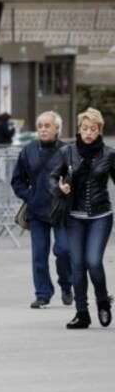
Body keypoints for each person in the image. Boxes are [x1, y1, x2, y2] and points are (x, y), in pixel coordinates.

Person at [50, 108, 115, 330]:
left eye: (93, 129)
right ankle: (81, 313)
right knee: (77, 264)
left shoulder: (109, 154)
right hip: (74, 215)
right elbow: (53, 178)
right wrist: (60, 187)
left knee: (93, 261)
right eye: (84, 128)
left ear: (99, 131)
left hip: (101, 215)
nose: (88, 133)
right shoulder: (68, 152)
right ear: (79, 129)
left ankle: (103, 301)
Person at [10, 111, 72, 309]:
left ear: (57, 129)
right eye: (40, 126)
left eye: (47, 126)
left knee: (63, 250)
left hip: (61, 210)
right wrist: (30, 196)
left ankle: (66, 284)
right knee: (39, 255)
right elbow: (17, 180)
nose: (43, 129)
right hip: (37, 212)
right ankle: (43, 294)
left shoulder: (68, 151)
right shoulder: (28, 151)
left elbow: (76, 178)